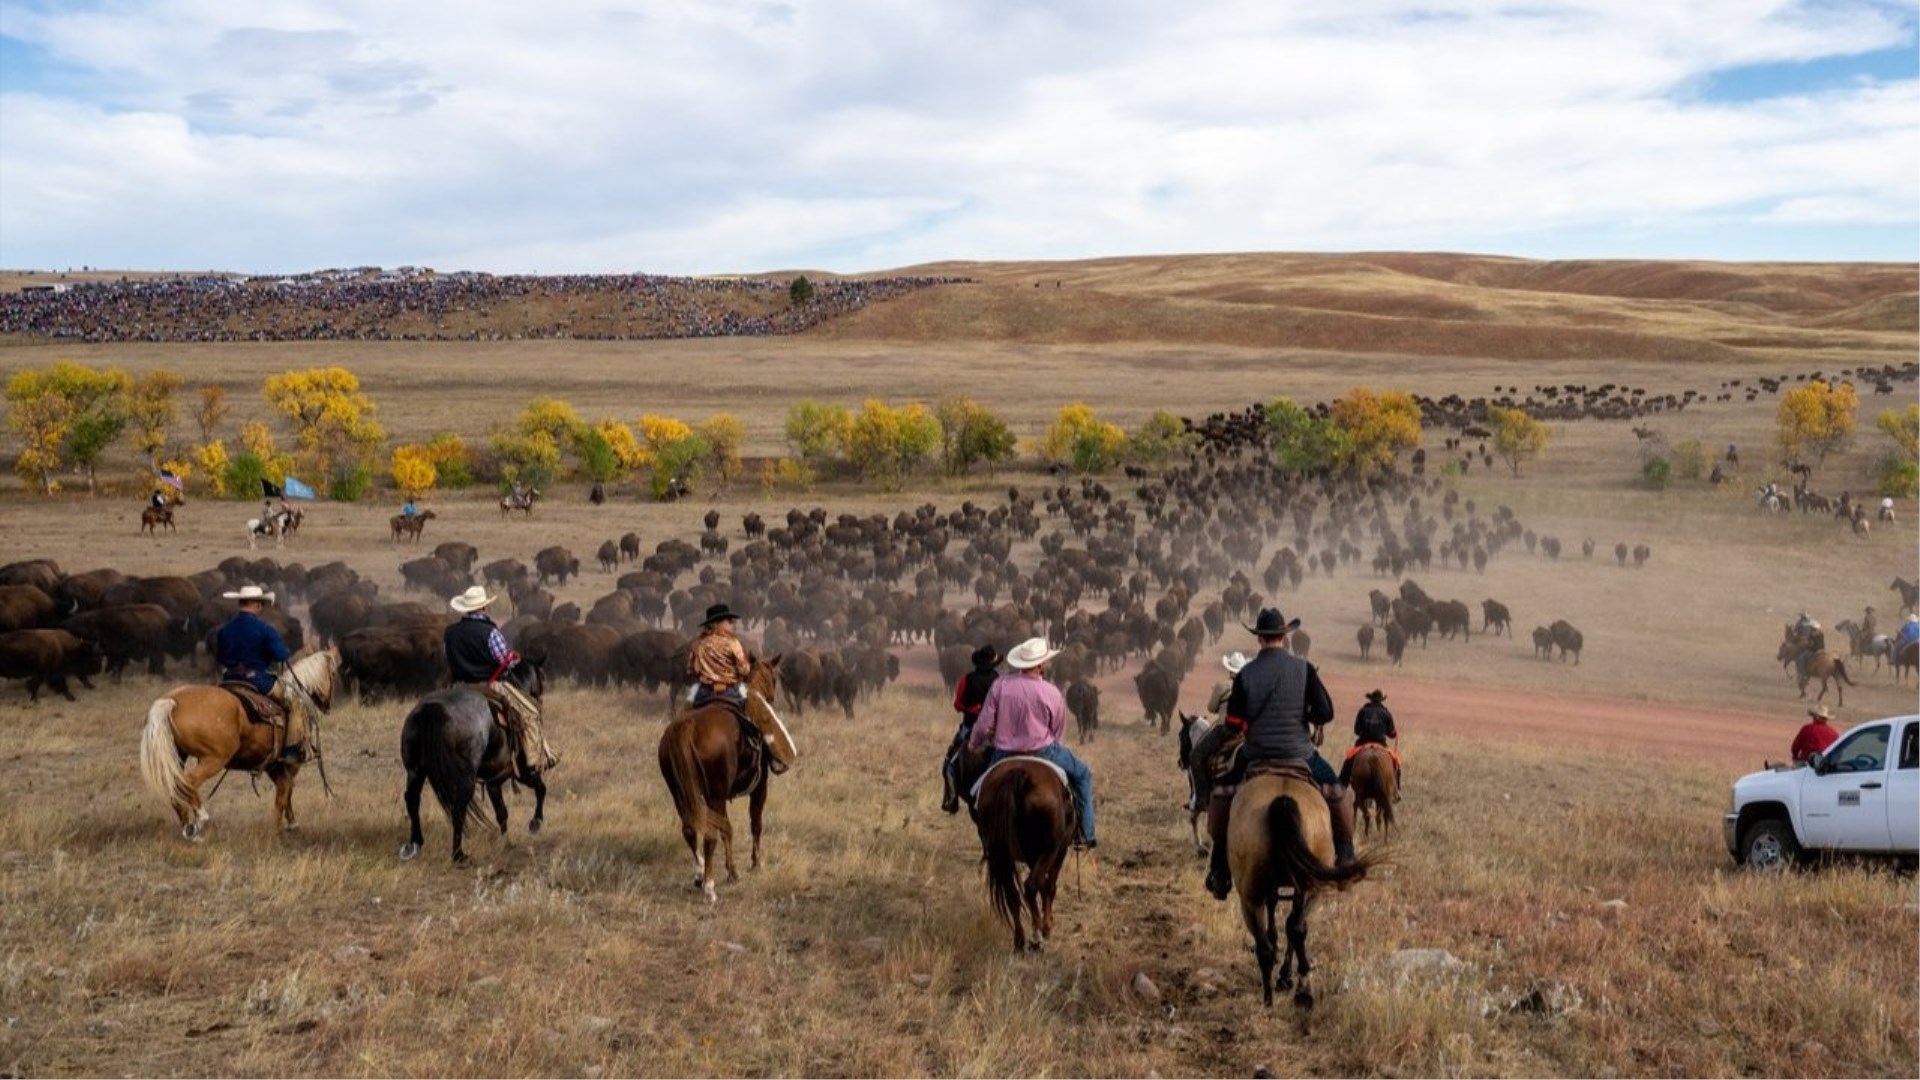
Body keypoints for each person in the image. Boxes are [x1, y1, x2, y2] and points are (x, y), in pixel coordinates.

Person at [1203, 607, 1355, 900]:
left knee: (1221, 793)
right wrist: (1303, 713)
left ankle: (1220, 868)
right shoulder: (1304, 669)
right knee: (1338, 792)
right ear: (1285, 637)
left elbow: (1233, 723)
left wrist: (1251, 721)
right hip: (1300, 753)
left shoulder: (1246, 674)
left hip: (1256, 754)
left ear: (1260, 639)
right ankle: (1346, 856)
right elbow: (1326, 712)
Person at [967, 637, 1096, 850]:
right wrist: (1055, 746)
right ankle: (1085, 833)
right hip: (1044, 751)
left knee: (977, 792)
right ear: (1040, 664)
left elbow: (984, 724)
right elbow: (1058, 730)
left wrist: (974, 743)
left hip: (1004, 754)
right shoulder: (1051, 692)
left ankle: (986, 835)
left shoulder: (1000, 685)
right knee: (1083, 775)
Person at [445, 585, 555, 776]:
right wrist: (514, 660)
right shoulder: (490, 632)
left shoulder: (451, 632)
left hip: (458, 686)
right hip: (488, 685)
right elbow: (505, 661)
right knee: (529, 712)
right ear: (483, 608)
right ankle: (533, 761)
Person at [214, 584, 303, 764]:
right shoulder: (265, 629)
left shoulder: (224, 629)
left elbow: (221, 657)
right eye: (261, 604)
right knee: (295, 702)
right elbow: (281, 656)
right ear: (257, 605)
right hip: (257, 680)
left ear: (240, 602)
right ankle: (291, 750)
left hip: (229, 679)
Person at [941, 644, 1001, 814]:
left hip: (970, 727)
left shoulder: (966, 680)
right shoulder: (998, 680)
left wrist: (972, 709)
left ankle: (951, 799)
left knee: (950, 764)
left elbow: (957, 705)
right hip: (995, 730)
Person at [687, 603, 753, 708]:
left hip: (704, 693)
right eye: (729, 621)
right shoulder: (733, 643)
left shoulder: (698, 644)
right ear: (718, 624)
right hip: (730, 693)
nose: (733, 624)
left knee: (686, 712)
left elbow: (691, 670)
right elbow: (744, 670)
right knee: (750, 716)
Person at [1339, 689, 1402, 792]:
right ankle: (1396, 789)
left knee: (1348, 762)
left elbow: (1356, 730)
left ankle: (1341, 786)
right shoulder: (1386, 713)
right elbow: (1392, 734)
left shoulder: (1363, 711)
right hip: (1380, 744)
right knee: (1395, 763)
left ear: (1371, 699)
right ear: (1381, 700)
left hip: (1363, 743)